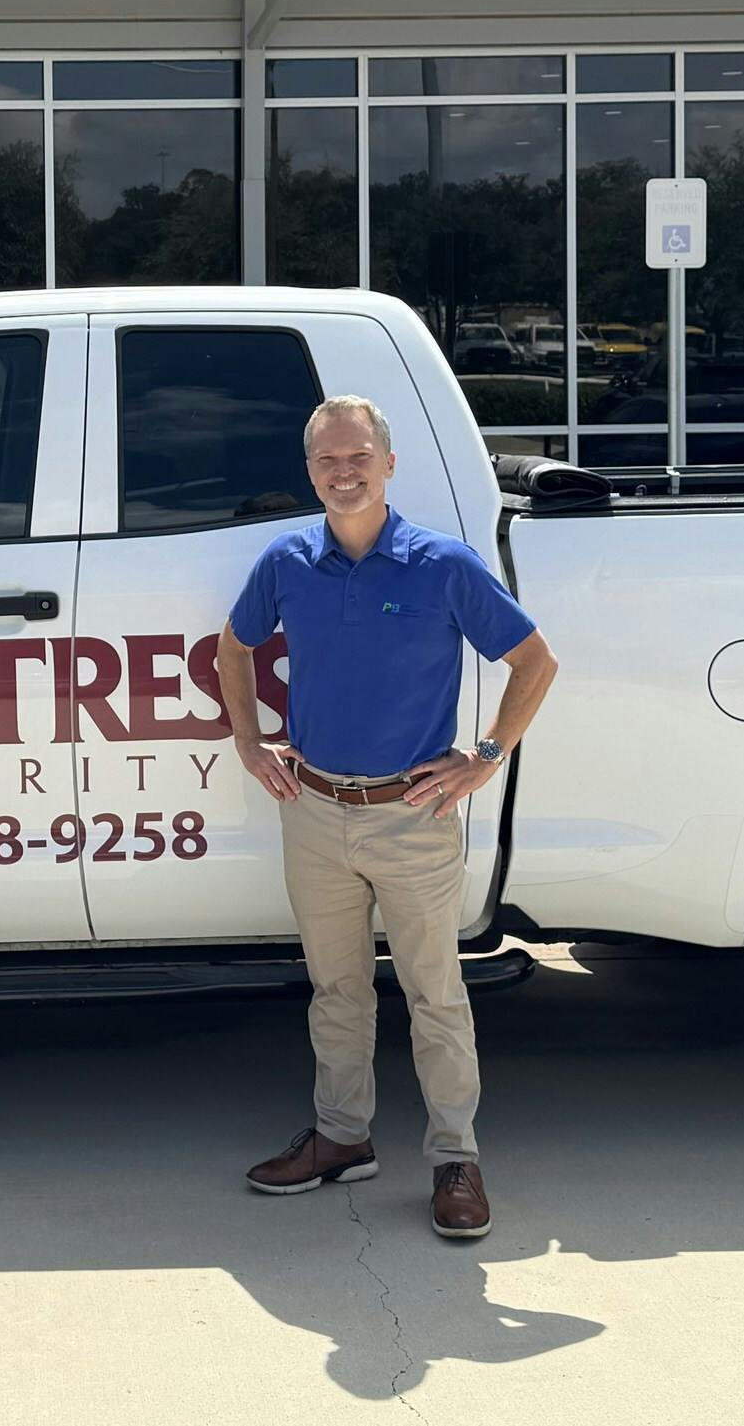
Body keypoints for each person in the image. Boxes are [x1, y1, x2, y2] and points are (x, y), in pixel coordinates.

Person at [217, 395, 559, 1240]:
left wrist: (485, 754)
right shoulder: (287, 559)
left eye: (358, 455)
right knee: (336, 990)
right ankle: (341, 1137)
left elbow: (535, 660)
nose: (344, 471)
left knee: (434, 992)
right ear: (309, 470)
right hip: (316, 806)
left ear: (389, 463)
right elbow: (235, 646)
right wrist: (250, 742)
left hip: (412, 814)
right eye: (327, 459)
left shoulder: (441, 564)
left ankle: (455, 1158)